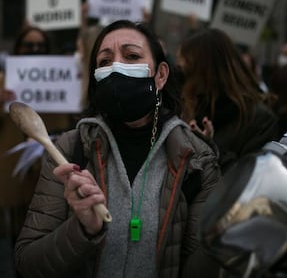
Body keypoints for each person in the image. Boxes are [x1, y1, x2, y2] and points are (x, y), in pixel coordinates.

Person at [15, 20, 221, 277]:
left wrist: (224, 236)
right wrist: (82, 229)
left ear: (161, 75)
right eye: (104, 62)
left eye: (132, 56)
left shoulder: (196, 160)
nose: (115, 68)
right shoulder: (70, 149)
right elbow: (28, 264)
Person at [0, 25, 73, 239]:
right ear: (18, 48)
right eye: (29, 45)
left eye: (40, 45)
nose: (35, 49)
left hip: (51, 164)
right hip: (13, 164)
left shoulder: (64, 78)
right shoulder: (2, 80)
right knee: (18, 234)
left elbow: (75, 119)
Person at [176, 28, 280, 171]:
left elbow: (249, 180)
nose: (184, 81)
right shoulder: (185, 109)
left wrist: (210, 151)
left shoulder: (260, 120)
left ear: (207, 71)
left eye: (187, 71)